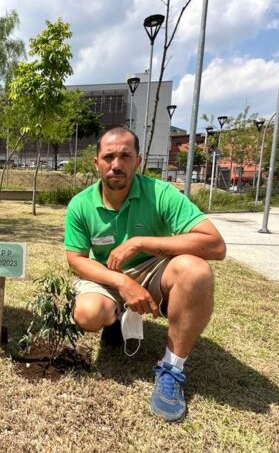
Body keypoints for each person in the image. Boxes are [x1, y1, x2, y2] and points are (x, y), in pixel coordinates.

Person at [64, 127, 226, 422]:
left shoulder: (161, 193)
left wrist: (141, 242)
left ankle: (172, 368)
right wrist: (122, 282)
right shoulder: (80, 204)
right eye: (108, 156)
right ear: (96, 162)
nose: (116, 164)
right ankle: (114, 319)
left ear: (138, 160)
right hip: (109, 275)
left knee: (195, 270)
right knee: (87, 314)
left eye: (125, 156)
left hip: (155, 268)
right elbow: (76, 259)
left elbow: (215, 244)